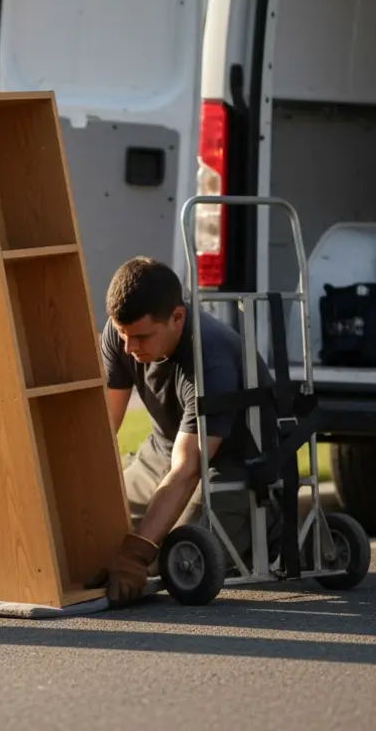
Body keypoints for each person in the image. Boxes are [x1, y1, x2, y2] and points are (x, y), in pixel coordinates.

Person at [86, 256, 283, 607]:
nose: (129, 348)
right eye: (122, 334)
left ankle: (268, 526)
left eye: (141, 336)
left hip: (228, 469)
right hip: (161, 452)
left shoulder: (212, 357)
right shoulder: (123, 336)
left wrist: (137, 553)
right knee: (90, 539)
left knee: (171, 558)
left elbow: (189, 467)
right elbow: (103, 429)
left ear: (177, 317)